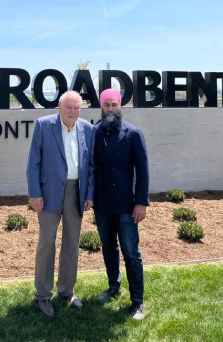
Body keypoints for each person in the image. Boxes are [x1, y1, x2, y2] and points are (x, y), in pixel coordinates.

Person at [27, 90, 95, 317]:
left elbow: (90, 165)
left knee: (71, 244)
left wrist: (89, 193)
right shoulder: (43, 125)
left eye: (77, 108)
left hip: (76, 192)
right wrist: (35, 193)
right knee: (47, 243)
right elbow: (33, 162)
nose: (73, 112)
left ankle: (67, 290)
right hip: (48, 193)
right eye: (69, 107)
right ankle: (43, 295)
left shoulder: (87, 129)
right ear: (59, 107)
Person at [93, 88, 149, 320]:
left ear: (120, 106)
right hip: (102, 204)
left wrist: (141, 203)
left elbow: (143, 171)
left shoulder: (133, 133)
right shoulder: (94, 131)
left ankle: (137, 302)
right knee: (108, 248)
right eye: (107, 105)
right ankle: (113, 286)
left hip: (127, 205)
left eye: (114, 104)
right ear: (101, 107)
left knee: (131, 253)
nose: (111, 109)